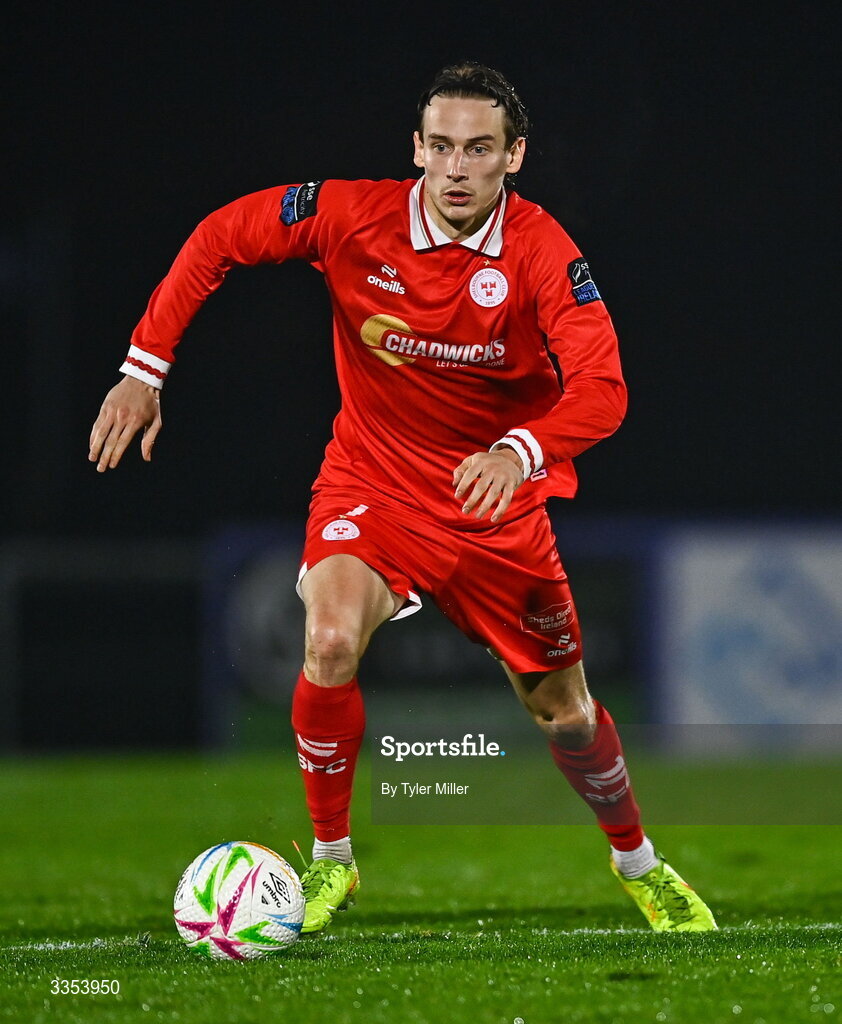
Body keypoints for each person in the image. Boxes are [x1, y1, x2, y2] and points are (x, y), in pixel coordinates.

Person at [89, 62, 716, 934]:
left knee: (567, 717)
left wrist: (520, 447)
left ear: (515, 156)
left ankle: (639, 864)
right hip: (374, 484)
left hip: (498, 512)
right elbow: (221, 235)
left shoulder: (541, 251)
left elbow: (604, 388)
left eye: (480, 149)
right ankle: (332, 863)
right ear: (417, 148)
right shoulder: (352, 217)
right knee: (331, 637)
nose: (458, 168)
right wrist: (142, 370)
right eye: (443, 147)